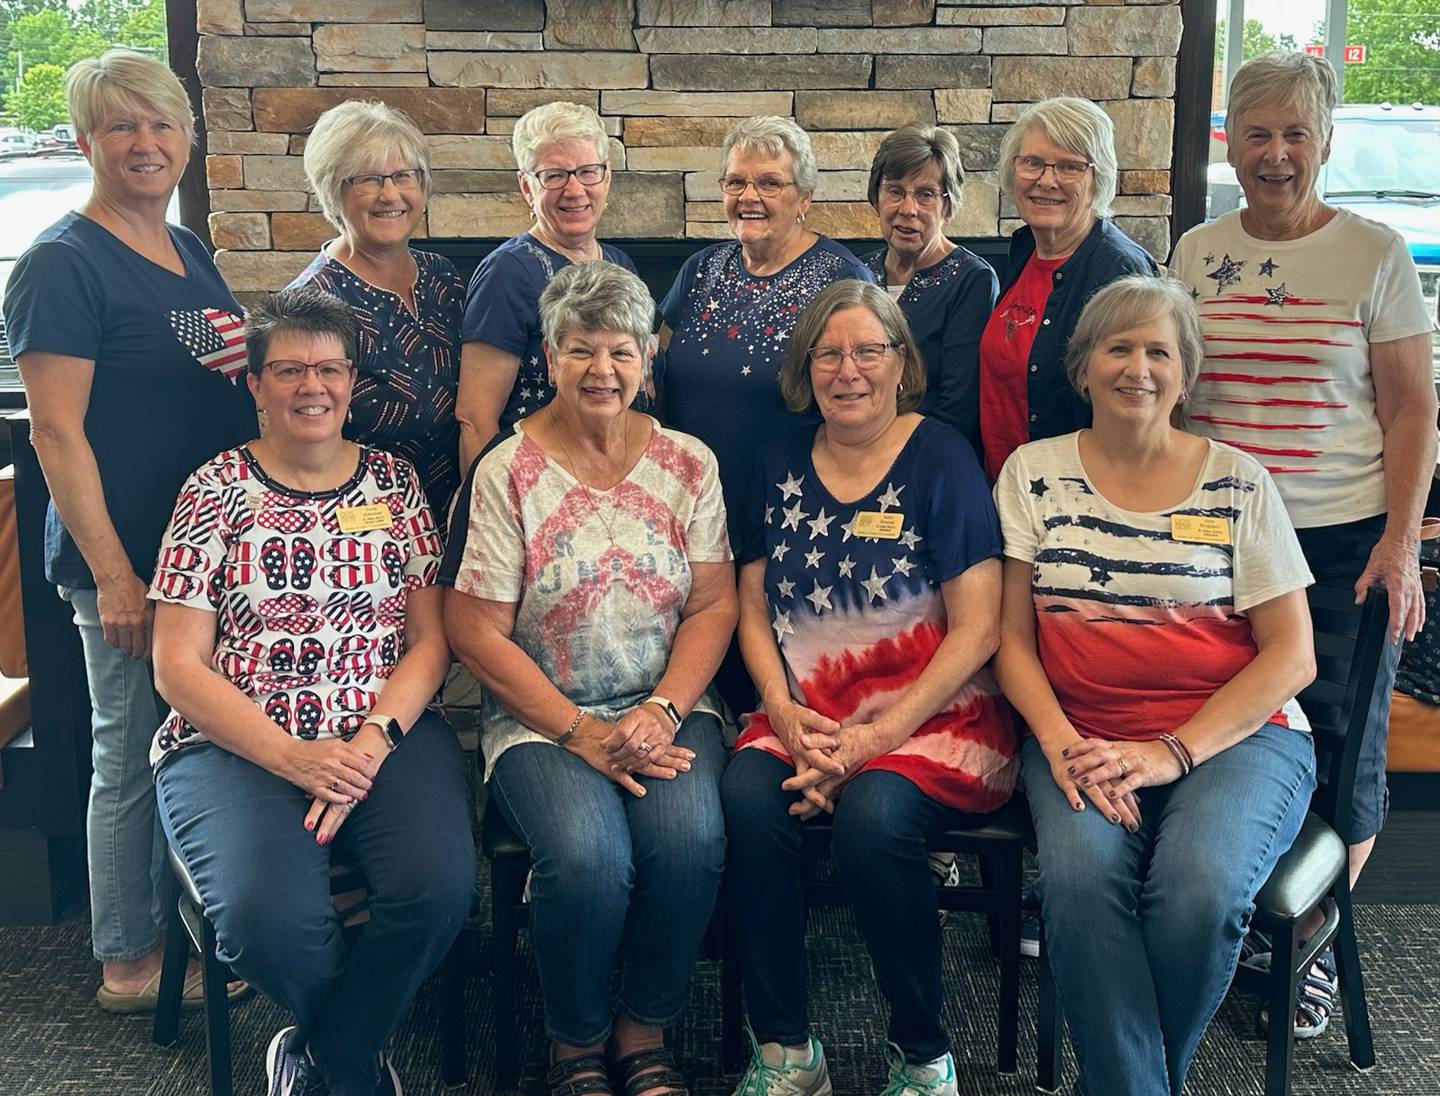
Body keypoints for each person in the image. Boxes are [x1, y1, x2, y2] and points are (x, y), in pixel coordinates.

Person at [993, 275, 1318, 1096]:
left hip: (1237, 738)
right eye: (1119, 347)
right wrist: (1062, 745)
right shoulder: (1033, 473)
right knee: (1075, 881)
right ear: (1083, 367)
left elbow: (1290, 656)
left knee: (1198, 892)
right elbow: (1009, 640)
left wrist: (1171, 752)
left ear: (1186, 371)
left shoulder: (1239, 481)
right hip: (1080, 735)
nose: (1138, 367)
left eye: (1158, 351)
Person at [1170, 51, 1436, 1037]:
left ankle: (1311, 940)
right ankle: (1234, 914)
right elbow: (1175, 394)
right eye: (1258, 134)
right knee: (1230, 733)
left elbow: (1413, 409)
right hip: (1216, 545)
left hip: (1343, 543)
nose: (1277, 153)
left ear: (1325, 143)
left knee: (1338, 747)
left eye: (1295, 134)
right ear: (1229, 145)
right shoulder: (1196, 254)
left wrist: (1402, 543)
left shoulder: (1373, 253)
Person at [150, 289, 475, 1096]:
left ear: (352, 380)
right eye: (289, 369)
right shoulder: (213, 488)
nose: (312, 386)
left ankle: (329, 1052)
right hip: (236, 740)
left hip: (386, 730)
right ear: (255, 384)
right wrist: (295, 756)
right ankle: (356, 1059)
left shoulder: (396, 487)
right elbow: (178, 667)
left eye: (329, 368)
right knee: (267, 922)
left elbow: (430, 641)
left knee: (437, 890)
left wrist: (365, 747)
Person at [443, 260, 737, 1096]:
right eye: (580, 350)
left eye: (620, 351)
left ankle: (643, 1031)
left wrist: (663, 708)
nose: (602, 370)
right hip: (543, 719)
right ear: (548, 354)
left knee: (689, 843)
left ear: (648, 357)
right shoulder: (508, 469)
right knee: (586, 858)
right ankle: (573, 1042)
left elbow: (714, 605)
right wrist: (583, 732)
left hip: (669, 706)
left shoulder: (689, 463)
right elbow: (472, 628)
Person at [3, 49, 256, 1013]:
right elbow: (56, 435)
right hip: (132, 565)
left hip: (207, 558)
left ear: (187, 140)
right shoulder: (63, 264)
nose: (146, 144)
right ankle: (126, 962)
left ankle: (195, 931)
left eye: (161, 125)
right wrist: (115, 574)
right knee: (132, 754)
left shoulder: (187, 249)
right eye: (122, 127)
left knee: (185, 748)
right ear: (85, 141)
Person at [721, 281, 1015, 1096]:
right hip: (804, 714)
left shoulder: (942, 458)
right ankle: (786, 1051)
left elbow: (979, 630)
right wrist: (782, 711)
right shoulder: (774, 458)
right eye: (829, 354)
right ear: (806, 367)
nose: (848, 371)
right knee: (747, 801)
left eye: (868, 351)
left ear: (900, 361)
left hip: (934, 723)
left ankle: (923, 1056)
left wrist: (871, 744)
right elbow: (750, 608)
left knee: (875, 820)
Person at [658, 115, 874, 543]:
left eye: (770, 184)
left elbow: (868, 404)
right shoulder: (701, 269)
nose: (748, 197)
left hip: (795, 510)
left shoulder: (842, 279)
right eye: (735, 182)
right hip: (688, 504)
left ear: (805, 198)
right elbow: (654, 368)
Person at [288, 99, 464, 519]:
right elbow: (298, 445)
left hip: (456, 513)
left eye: (404, 176)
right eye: (368, 180)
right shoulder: (309, 305)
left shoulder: (442, 277)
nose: (390, 195)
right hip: (360, 526)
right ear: (333, 190)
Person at [980, 96, 1158, 481]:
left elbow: (1137, 407)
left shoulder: (1119, 270)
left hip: (1073, 492)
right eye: (1032, 163)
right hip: (1005, 486)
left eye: (1070, 167)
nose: (1047, 180)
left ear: (1099, 179)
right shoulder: (1025, 248)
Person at [457, 99, 640, 468]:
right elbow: (475, 420)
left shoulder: (620, 265)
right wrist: (490, 508)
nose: (574, 190)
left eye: (588, 172)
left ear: (607, 178)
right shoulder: (507, 272)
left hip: (612, 475)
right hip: (534, 483)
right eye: (554, 175)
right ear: (527, 187)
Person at [863, 123, 998, 455]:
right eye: (894, 190)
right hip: (855, 447)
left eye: (925, 194)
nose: (908, 209)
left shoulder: (972, 280)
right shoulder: (858, 273)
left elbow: (958, 408)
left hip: (930, 455)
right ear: (877, 197)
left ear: (947, 206)